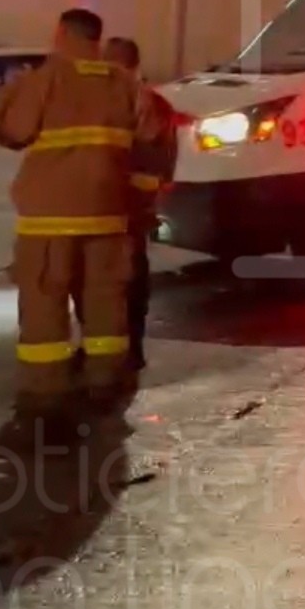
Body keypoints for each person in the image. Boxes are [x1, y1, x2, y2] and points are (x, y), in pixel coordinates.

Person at [0, 9, 164, 427]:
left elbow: (12, 132)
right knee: (105, 303)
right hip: (108, 215)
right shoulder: (126, 83)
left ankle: (45, 394)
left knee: (44, 304)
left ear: (62, 33)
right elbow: (151, 139)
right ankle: (105, 382)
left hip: (49, 219)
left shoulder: (45, 79)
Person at [102, 36, 176, 371]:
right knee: (129, 275)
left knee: (118, 279)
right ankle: (130, 347)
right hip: (134, 204)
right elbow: (167, 162)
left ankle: (121, 348)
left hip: (118, 203)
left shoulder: (124, 101)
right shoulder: (154, 102)